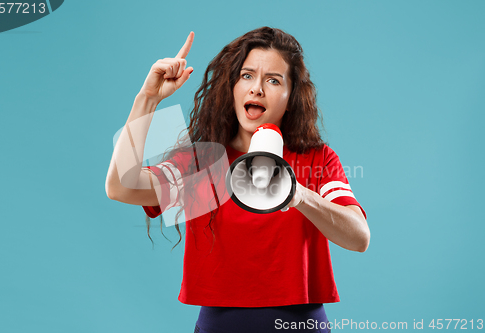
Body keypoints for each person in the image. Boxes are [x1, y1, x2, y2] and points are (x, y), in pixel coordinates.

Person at [106, 27, 370, 333]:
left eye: (273, 80)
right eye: (247, 75)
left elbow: (359, 237)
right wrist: (148, 98)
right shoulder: (203, 163)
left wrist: (298, 194)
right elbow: (120, 187)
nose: (256, 88)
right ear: (232, 86)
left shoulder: (316, 159)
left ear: (291, 94)